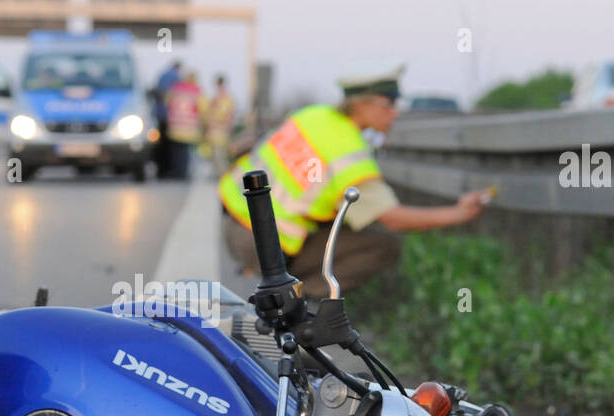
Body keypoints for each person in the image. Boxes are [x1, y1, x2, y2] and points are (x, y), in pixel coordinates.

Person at [218, 69, 489, 298]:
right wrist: (458, 213)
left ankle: (284, 295)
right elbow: (392, 218)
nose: (395, 114)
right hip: (268, 247)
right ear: (360, 104)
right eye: (388, 104)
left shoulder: (314, 115)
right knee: (384, 244)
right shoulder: (349, 151)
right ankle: (295, 305)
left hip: (234, 224)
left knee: (343, 218)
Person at [165, 71, 203, 179]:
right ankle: (183, 173)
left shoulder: (175, 89)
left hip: (175, 127)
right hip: (188, 128)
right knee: (185, 153)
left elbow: (167, 102)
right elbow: (202, 108)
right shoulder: (196, 91)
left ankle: (177, 172)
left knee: (176, 152)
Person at [199, 74, 236, 177]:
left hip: (219, 129)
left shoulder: (222, 98)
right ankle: (219, 173)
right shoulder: (223, 97)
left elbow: (224, 114)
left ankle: (223, 174)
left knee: (219, 153)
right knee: (216, 153)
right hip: (217, 129)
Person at [153, 60, 182, 176]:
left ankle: (161, 170)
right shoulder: (175, 77)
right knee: (171, 147)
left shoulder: (162, 75)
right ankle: (170, 170)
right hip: (170, 118)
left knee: (161, 145)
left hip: (160, 116)